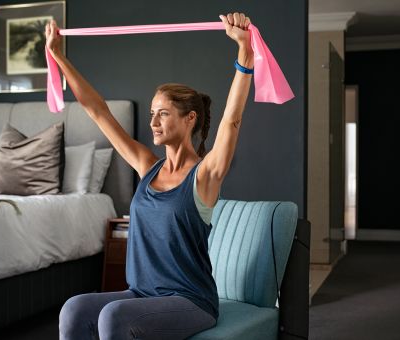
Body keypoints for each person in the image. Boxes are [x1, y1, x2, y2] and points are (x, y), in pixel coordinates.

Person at [48, 12, 254, 340]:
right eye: (152, 114)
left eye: (164, 114)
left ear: (189, 119)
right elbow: (97, 111)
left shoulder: (205, 175)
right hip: (142, 294)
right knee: (74, 308)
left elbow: (232, 121)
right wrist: (58, 55)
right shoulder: (148, 165)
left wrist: (245, 53)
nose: (154, 121)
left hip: (190, 301)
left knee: (114, 317)